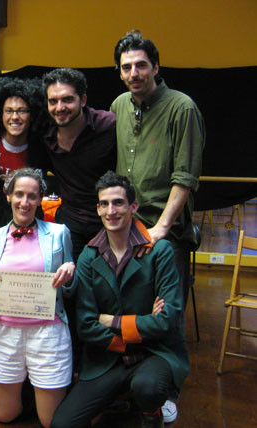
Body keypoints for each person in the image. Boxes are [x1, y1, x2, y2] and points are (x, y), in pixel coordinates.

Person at [111, 30, 204, 423]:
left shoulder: (182, 108)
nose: (134, 73)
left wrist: (162, 228)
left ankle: (165, 392)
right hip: (126, 230)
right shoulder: (118, 105)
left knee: (167, 315)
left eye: (141, 65)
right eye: (126, 67)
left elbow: (186, 176)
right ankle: (132, 385)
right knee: (131, 308)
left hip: (165, 232)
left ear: (156, 67)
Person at [50, 171, 189, 428]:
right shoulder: (89, 256)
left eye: (118, 203)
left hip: (153, 354)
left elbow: (168, 320)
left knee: (148, 387)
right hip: (107, 359)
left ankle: (151, 413)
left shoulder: (160, 251)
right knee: (62, 424)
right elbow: (86, 325)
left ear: (133, 206)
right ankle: (121, 400)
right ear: (98, 209)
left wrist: (110, 321)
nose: (111, 211)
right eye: (104, 204)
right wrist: (140, 327)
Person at [0, 168, 76, 428]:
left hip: (48, 332)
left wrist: (70, 272)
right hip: (4, 333)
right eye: (19, 194)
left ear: (40, 199)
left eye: (32, 196)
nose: (25, 202)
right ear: (8, 196)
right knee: (4, 415)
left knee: (50, 421)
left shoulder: (59, 233)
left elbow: (70, 290)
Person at [42, 68, 117, 262]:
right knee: (69, 277)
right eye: (53, 101)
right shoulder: (44, 133)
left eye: (67, 99)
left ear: (83, 100)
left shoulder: (109, 126)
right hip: (69, 223)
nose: (59, 107)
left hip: (108, 221)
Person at [0, 77, 50, 236]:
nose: (15, 117)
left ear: (33, 114)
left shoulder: (41, 143)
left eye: (22, 111)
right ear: (0, 113)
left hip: (30, 217)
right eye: (9, 111)